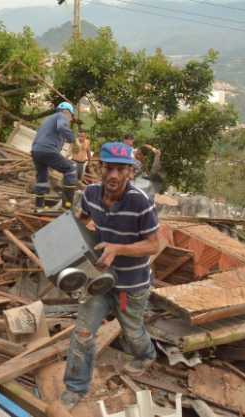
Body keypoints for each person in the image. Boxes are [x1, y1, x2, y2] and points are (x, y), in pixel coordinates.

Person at [60, 141, 161, 410]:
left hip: (131, 284)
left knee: (132, 331)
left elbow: (154, 245)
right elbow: (80, 218)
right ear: (99, 167)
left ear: (130, 171)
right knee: (83, 332)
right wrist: (88, 238)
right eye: (108, 168)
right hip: (100, 279)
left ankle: (147, 353)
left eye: (120, 169)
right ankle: (75, 386)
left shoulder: (140, 201)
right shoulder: (91, 193)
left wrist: (119, 248)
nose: (113, 175)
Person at [31, 102, 79, 210]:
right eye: (71, 116)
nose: (70, 120)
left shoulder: (48, 119)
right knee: (71, 169)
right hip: (47, 150)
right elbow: (62, 127)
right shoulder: (62, 116)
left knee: (42, 179)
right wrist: (74, 140)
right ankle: (66, 207)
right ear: (67, 112)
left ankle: (39, 207)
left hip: (36, 151)